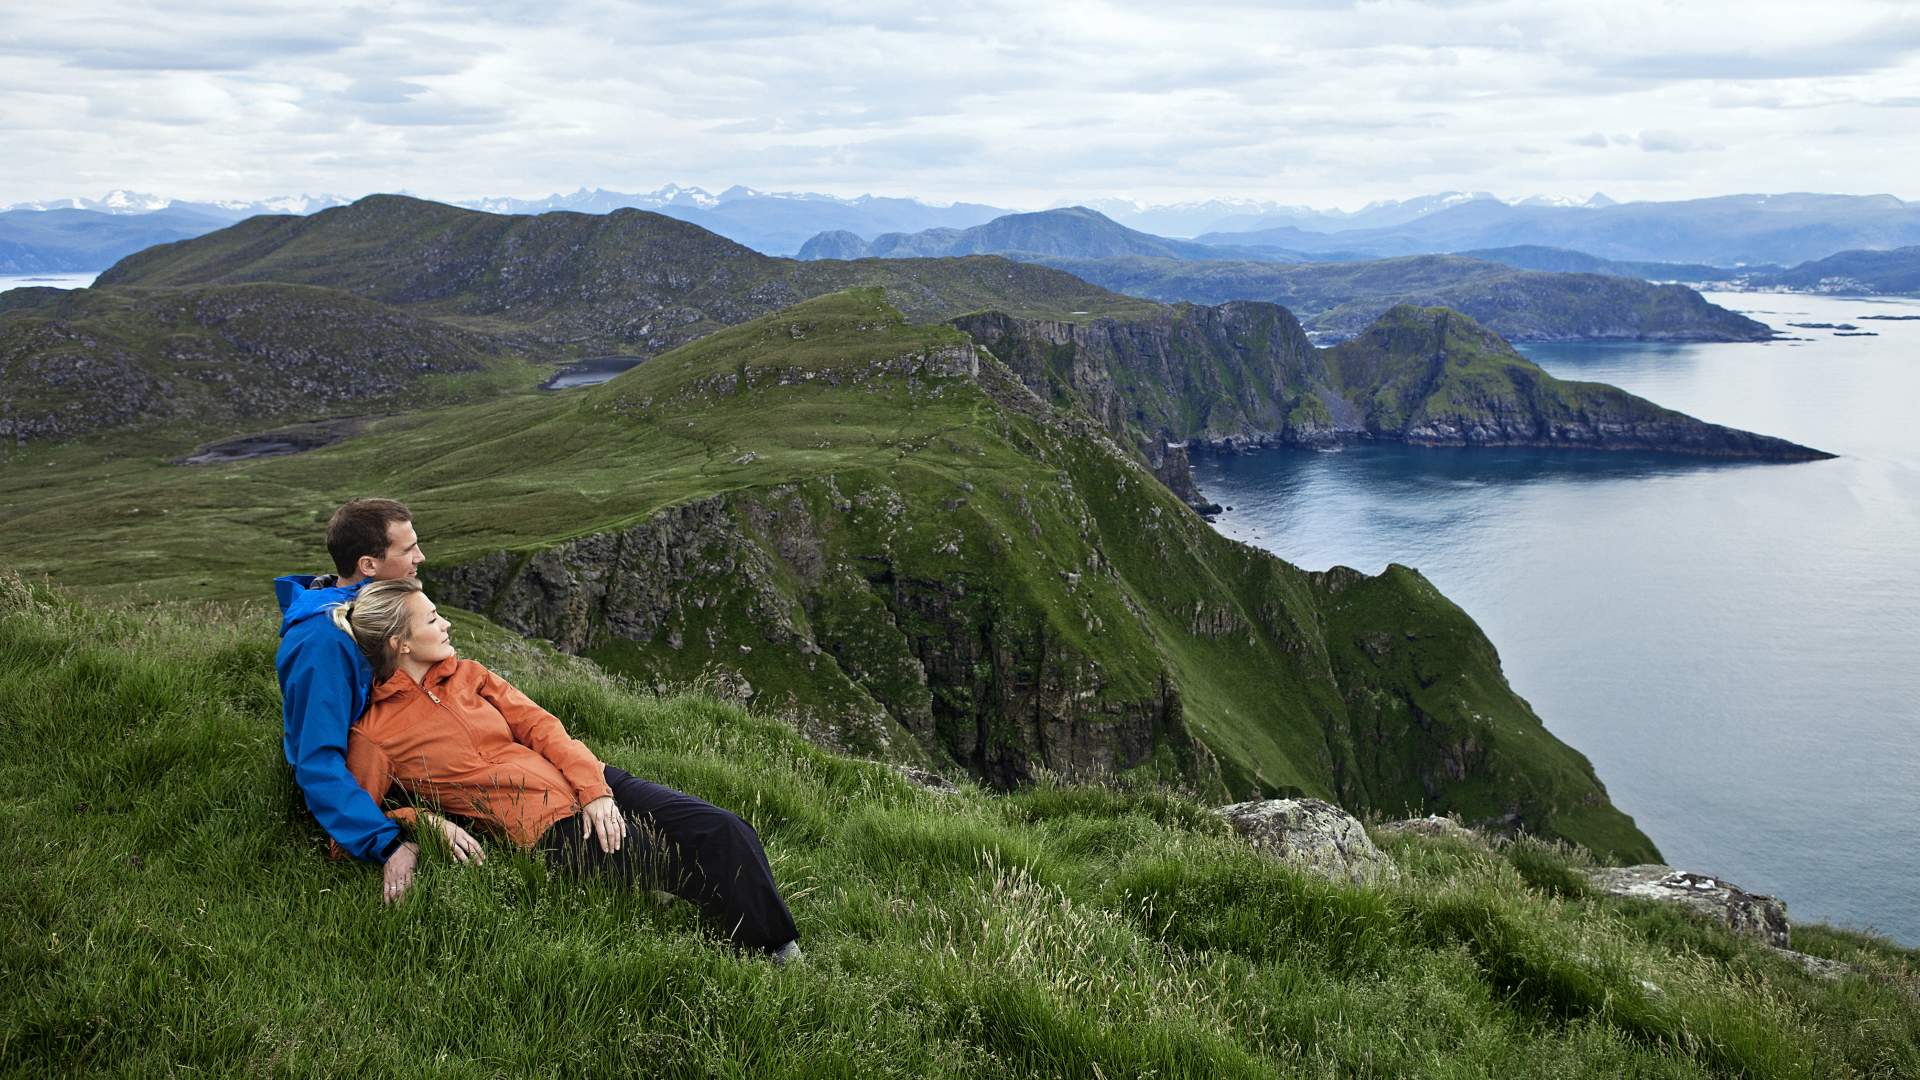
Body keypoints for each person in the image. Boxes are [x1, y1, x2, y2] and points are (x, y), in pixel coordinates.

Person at [332, 576, 801, 959]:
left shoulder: (469, 674)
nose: (447, 624)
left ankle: (779, 948)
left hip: (591, 779)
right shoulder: (376, 734)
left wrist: (594, 790)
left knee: (723, 829)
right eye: (433, 619)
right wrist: (423, 822)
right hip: (544, 829)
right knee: (672, 865)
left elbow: (542, 728)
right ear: (402, 644)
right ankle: (750, 949)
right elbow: (351, 827)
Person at [273, 498, 461, 904]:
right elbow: (317, 759)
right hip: (374, 769)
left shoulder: (377, 609)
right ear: (368, 565)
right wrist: (388, 844)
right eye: (408, 549)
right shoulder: (322, 644)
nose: (420, 557)